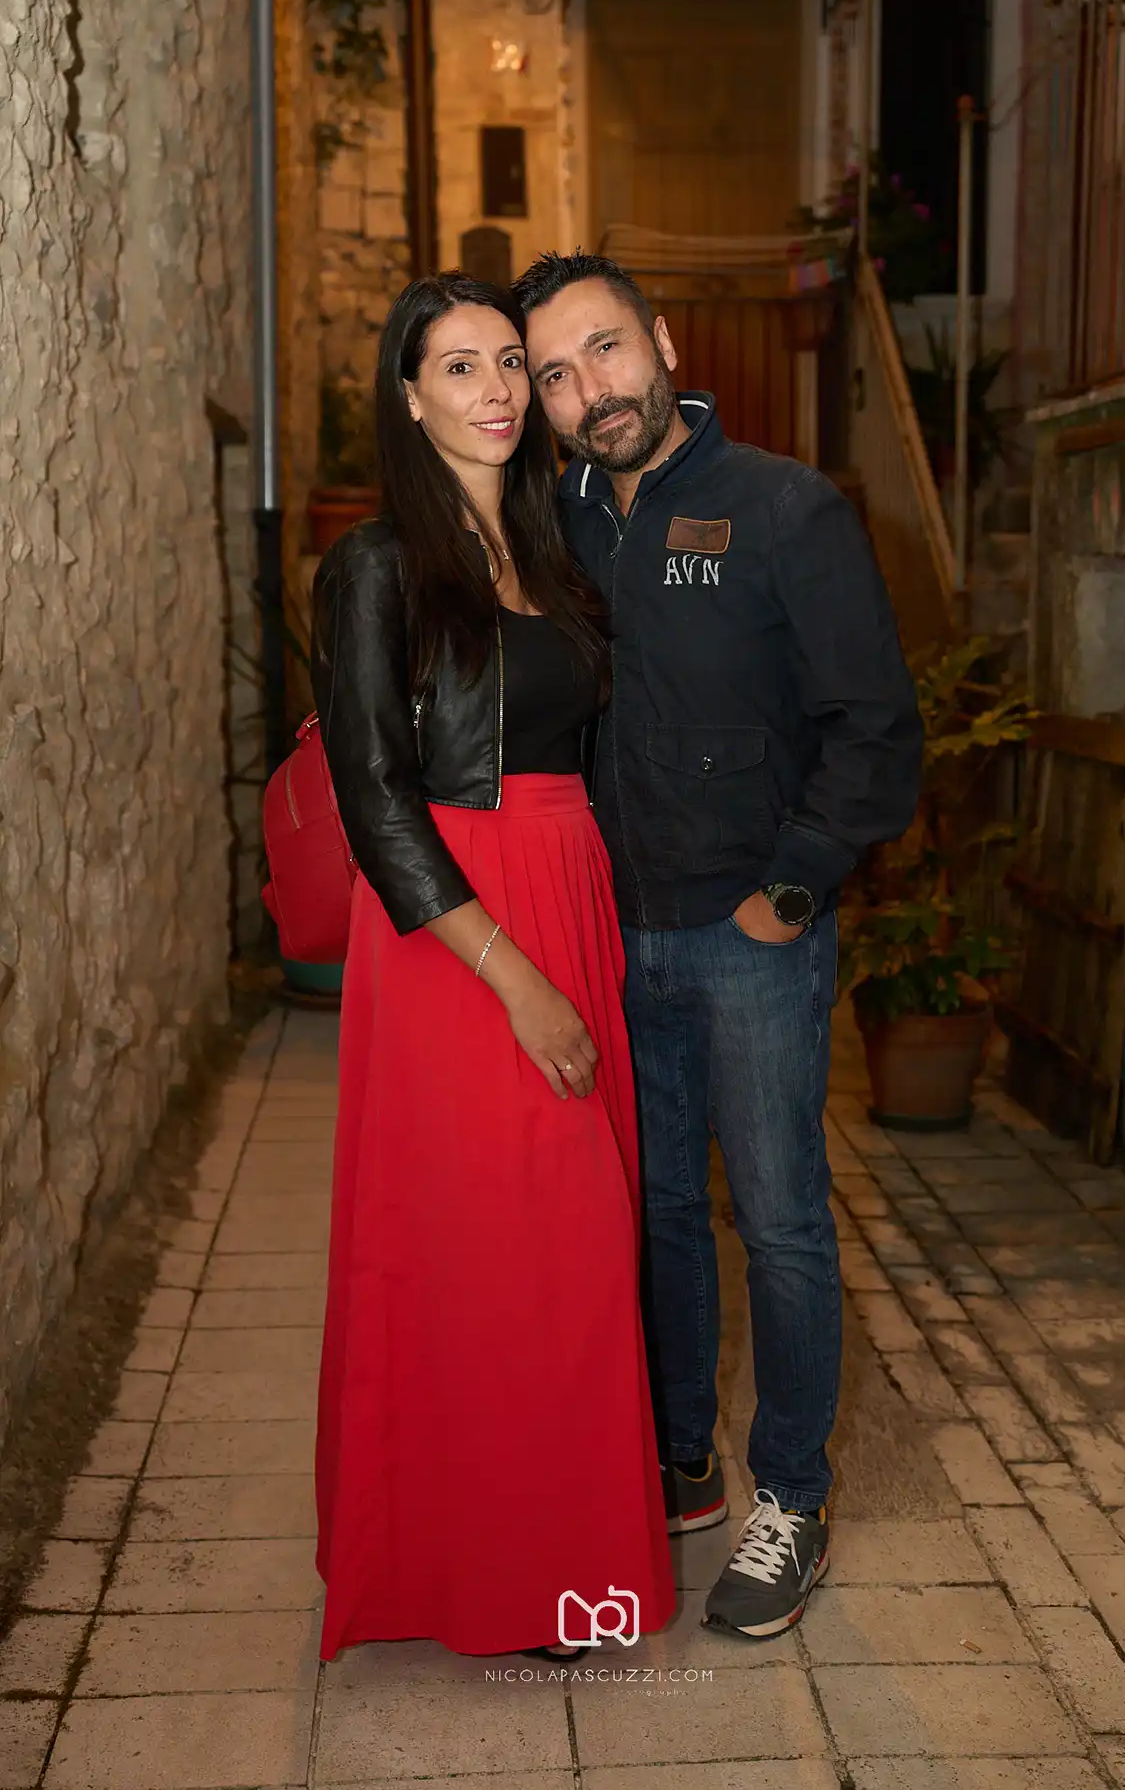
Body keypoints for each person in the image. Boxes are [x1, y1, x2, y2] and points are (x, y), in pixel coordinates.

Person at [514, 250, 923, 1641]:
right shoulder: (556, 525)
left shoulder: (784, 508)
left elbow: (877, 728)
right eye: (555, 373)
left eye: (605, 348)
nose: (589, 390)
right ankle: (679, 1458)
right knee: (656, 1214)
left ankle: (791, 1497)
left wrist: (792, 890)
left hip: (753, 939)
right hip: (611, 938)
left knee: (782, 1220)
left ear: (664, 343)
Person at [309, 271, 675, 1663]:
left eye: (511, 362)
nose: (499, 391)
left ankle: (560, 1563)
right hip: (460, 930)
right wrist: (515, 978)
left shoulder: (552, 545)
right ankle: (488, 1575)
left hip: (566, 889)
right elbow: (374, 796)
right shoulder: (377, 563)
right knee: (490, 1252)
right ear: (409, 398)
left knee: (569, 1254)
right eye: (459, 367)